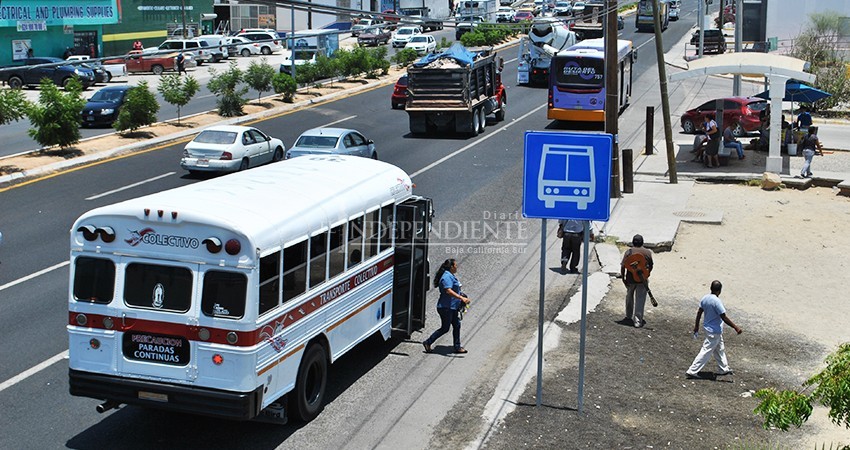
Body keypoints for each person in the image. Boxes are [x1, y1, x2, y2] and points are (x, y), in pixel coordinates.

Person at [686, 280, 743, 379]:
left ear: (711, 288)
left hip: (710, 330)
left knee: (719, 349)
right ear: (719, 291)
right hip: (714, 331)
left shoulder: (705, 298)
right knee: (706, 351)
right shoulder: (717, 301)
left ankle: (723, 369)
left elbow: (699, 312)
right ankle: (692, 370)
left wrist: (696, 326)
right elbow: (724, 317)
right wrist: (736, 327)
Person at [422, 259, 471, 354]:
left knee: (457, 325)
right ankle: (428, 342)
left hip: (452, 307)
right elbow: (448, 290)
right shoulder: (446, 277)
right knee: (445, 328)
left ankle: (457, 346)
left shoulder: (450, 276)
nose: (457, 267)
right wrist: (461, 298)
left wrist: (462, 296)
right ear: (451, 267)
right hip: (446, 308)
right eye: (455, 265)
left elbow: (454, 289)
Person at [620, 234, 653, 328]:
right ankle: (638, 321)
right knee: (640, 299)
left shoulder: (629, 252)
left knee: (629, 297)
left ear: (633, 242)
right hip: (642, 280)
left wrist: (623, 278)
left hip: (630, 279)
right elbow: (650, 266)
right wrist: (646, 275)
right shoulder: (647, 252)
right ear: (642, 242)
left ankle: (628, 316)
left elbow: (623, 266)